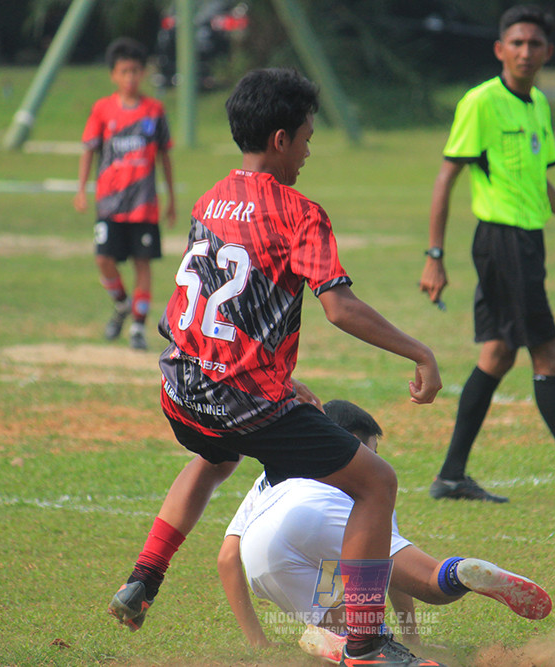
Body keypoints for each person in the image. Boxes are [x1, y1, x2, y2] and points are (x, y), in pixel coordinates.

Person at [106, 68, 446, 667]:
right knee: (377, 483)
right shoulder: (299, 213)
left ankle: (144, 578)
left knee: (215, 455)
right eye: (309, 138)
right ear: (282, 138)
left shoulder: (210, 198)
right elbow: (338, 308)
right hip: (241, 395)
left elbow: (218, 307)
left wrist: (282, 381)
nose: (310, 152)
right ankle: (366, 642)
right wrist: (420, 350)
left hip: (181, 386)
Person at [418, 4, 555, 507]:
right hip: (502, 242)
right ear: (499, 49)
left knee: (496, 355)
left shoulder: (537, 103)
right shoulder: (481, 102)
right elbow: (445, 178)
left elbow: (540, 184)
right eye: (515, 42)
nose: (524, 51)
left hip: (526, 242)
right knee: (549, 353)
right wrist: (434, 255)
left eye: (533, 44)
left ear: (548, 52)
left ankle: (451, 476)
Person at [216, 399, 552, 663]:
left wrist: (258, 643)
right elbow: (385, 569)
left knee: (355, 634)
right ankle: (458, 573)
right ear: (351, 443)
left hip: (260, 554)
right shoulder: (362, 475)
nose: (372, 458)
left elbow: (227, 558)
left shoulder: (271, 474)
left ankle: (333, 638)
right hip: (319, 515)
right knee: (424, 589)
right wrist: (413, 634)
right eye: (370, 451)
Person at [74, 37, 176, 351]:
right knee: (103, 258)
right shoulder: (102, 110)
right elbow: (89, 150)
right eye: (124, 71)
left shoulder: (154, 110)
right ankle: (121, 303)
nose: (130, 77)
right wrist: (81, 189)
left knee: (142, 264)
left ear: (143, 73)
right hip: (109, 202)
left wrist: (171, 197)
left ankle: (138, 327)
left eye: (135, 70)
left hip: (144, 205)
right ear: (113, 75)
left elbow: (165, 156)